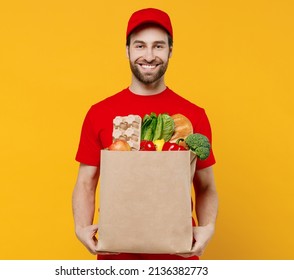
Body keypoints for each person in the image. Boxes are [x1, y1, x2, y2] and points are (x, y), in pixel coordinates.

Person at [72, 8, 218, 260]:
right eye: (140, 46)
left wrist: (207, 228)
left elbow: (206, 186)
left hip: (177, 257)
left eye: (158, 46)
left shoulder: (193, 115)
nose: (149, 56)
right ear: (127, 50)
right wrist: (81, 228)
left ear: (170, 51)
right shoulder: (99, 112)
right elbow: (86, 182)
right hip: (116, 257)